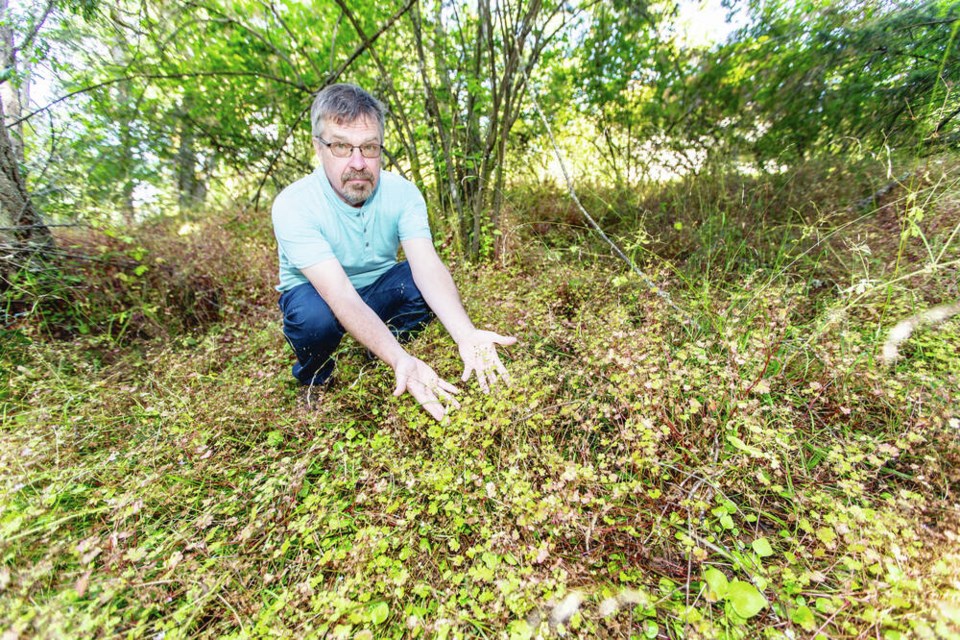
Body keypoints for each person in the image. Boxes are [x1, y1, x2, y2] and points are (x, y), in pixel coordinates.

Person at [272, 83, 516, 420]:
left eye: (370, 147)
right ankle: (315, 376)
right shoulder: (293, 205)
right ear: (319, 147)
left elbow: (427, 264)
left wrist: (466, 333)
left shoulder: (403, 193)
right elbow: (340, 294)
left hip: (377, 286)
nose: (358, 163)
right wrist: (401, 358)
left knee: (419, 287)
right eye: (342, 146)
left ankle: (379, 350)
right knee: (316, 321)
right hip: (318, 293)